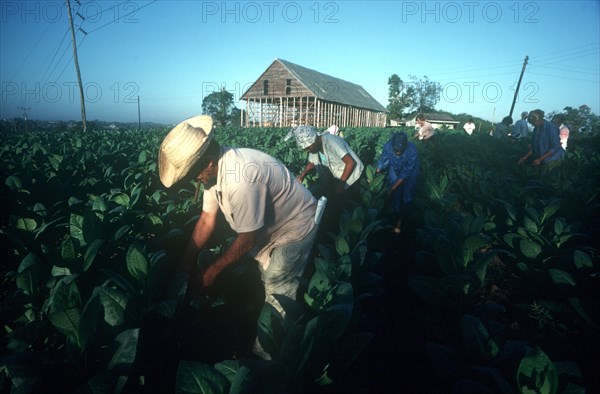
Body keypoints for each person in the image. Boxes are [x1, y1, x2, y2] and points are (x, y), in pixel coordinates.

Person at [158, 115, 319, 357]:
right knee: (263, 275)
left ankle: (268, 361)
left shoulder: (240, 177)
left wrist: (210, 274)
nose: (195, 181)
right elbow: (206, 219)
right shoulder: (215, 172)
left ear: (208, 163)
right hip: (272, 228)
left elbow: (247, 239)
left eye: (194, 175)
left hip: (296, 224)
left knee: (278, 285)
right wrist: (186, 263)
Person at [289, 125, 364, 201]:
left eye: (308, 147)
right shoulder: (314, 148)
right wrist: (302, 176)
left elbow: (350, 162)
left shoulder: (332, 142)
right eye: (305, 149)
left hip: (352, 178)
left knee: (351, 203)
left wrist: (341, 183)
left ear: (314, 140)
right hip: (338, 178)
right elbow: (312, 164)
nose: (307, 150)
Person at [375, 131, 420, 234]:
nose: (398, 153)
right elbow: (383, 160)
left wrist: (391, 189)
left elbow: (406, 173)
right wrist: (377, 171)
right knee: (395, 195)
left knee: (407, 197)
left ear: (405, 146)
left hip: (411, 172)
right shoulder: (387, 146)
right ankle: (394, 216)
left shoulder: (412, 150)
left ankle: (403, 220)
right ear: (392, 145)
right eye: (396, 150)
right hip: (394, 167)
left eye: (400, 151)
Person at [518, 109, 564, 173]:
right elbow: (534, 147)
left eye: (533, 123)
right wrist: (525, 157)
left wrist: (540, 159)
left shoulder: (551, 128)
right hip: (542, 158)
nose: (533, 125)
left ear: (539, 119)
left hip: (553, 159)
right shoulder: (536, 129)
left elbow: (555, 147)